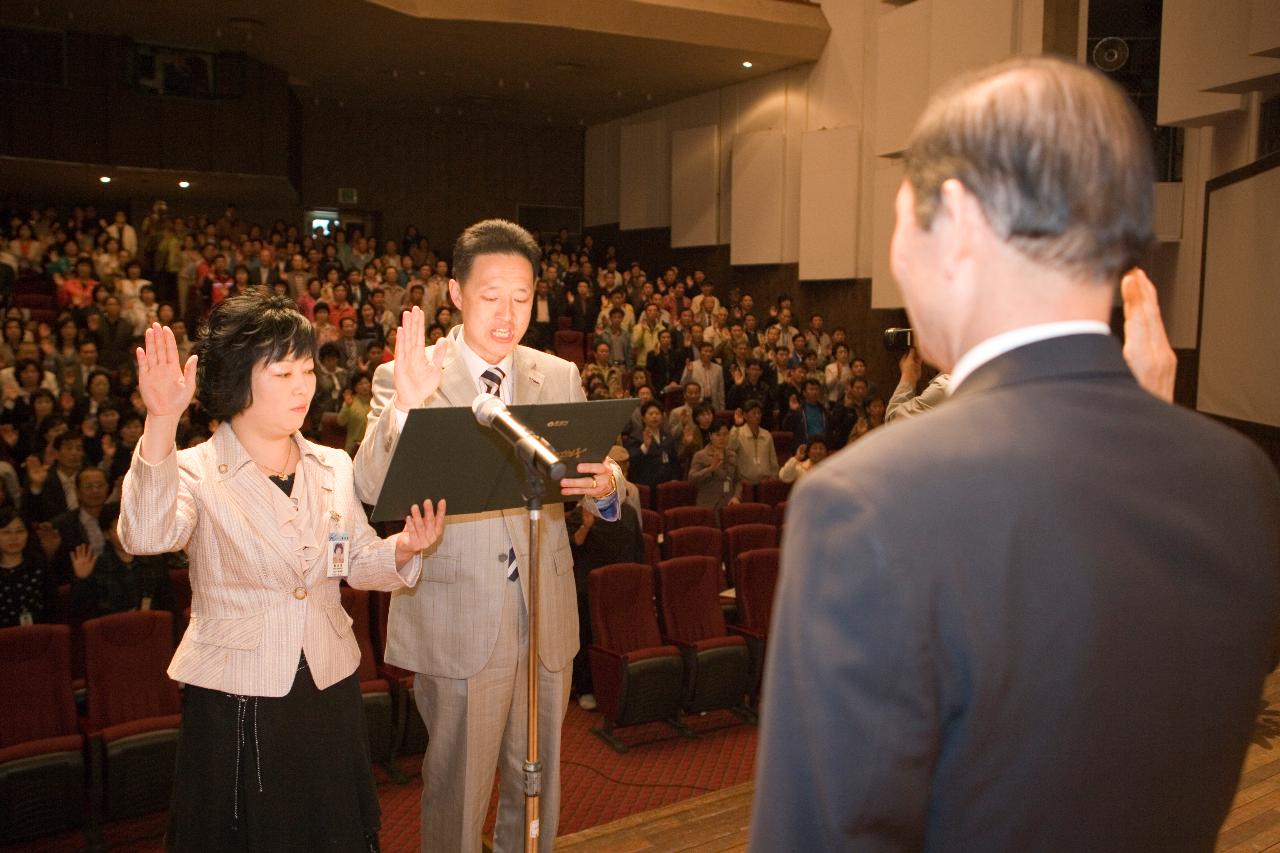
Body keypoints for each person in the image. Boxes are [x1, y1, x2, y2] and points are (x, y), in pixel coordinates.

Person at [751, 56, 1280, 852]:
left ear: (957, 223)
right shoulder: (1239, 479)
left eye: (899, 222)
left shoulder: (868, 500)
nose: (895, 261)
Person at [119, 294, 446, 852]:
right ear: (238, 382)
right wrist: (161, 420)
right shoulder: (198, 469)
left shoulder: (332, 465)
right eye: (284, 372)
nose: (304, 386)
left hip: (327, 683)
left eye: (308, 370)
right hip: (238, 696)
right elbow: (146, 535)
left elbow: (352, 562)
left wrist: (402, 549)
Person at [352, 219, 626, 853]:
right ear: (455, 292)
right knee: (458, 795)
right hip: (458, 616)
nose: (508, 314)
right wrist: (405, 410)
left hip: (547, 617)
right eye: (490, 296)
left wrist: (609, 486)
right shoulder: (409, 373)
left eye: (523, 298)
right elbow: (368, 486)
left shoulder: (557, 376)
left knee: (538, 791)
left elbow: (598, 475)